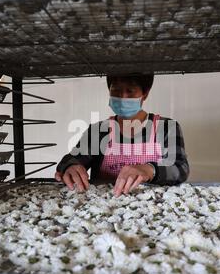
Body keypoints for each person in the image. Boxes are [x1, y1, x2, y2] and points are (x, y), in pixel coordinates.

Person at [55, 73, 189, 197]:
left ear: (145, 94)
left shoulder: (166, 127)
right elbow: (71, 159)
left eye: (130, 91)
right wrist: (70, 166)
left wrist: (149, 170)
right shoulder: (99, 130)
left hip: (153, 203)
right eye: (116, 91)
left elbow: (180, 169)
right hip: (105, 203)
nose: (122, 97)